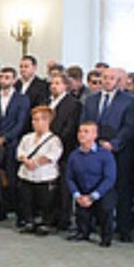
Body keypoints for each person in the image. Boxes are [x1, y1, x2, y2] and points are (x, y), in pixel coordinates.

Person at [82, 67, 134, 242]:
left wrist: (114, 144)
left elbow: (130, 126)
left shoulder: (129, 100)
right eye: (104, 77)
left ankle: (123, 229)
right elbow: (85, 122)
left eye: (111, 78)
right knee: (92, 185)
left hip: (118, 151)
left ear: (119, 81)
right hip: (94, 150)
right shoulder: (91, 100)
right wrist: (89, 142)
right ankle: (93, 225)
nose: (107, 81)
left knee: (120, 188)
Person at [0, 67, 31, 223]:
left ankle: (20, 215)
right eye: (1, 77)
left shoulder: (22, 99)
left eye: (7, 77)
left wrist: (5, 137)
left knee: (14, 180)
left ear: (14, 80)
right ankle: (2, 209)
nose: (3, 80)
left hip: (13, 143)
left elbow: (21, 123)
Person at [66, 122, 117, 247]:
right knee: (81, 208)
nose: (81, 134)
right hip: (83, 190)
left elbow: (109, 178)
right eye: (80, 131)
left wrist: (93, 196)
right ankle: (83, 231)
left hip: (101, 191)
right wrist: (77, 195)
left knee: (105, 207)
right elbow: (69, 178)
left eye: (86, 131)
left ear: (95, 135)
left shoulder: (105, 155)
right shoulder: (74, 155)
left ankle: (106, 235)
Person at [16, 107, 63, 235]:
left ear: (47, 121)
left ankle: (45, 223)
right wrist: (25, 160)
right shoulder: (27, 137)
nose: (35, 123)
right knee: (26, 200)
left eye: (38, 120)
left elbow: (53, 155)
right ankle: (29, 221)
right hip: (26, 174)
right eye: (34, 120)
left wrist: (36, 163)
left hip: (45, 175)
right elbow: (20, 152)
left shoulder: (54, 139)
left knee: (45, 201)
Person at [47, 72, 82, 231]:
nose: (54, 86)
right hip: (46, 147)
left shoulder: (73, 104)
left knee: (63, 185)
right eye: (52, 83)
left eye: (57, 83)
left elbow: (70, 127)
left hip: (64, 148)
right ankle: (51, 216)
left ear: (66, 86)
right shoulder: (48, 102)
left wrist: (54, 142)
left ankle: (64, 218)